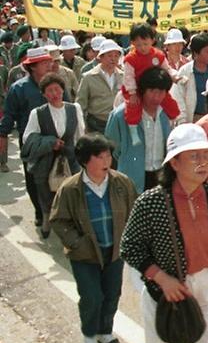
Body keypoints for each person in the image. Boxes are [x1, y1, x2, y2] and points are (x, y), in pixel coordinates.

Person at [120, 123, 208, 343]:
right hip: (166, 292)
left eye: (206, 156)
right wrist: (162, 279)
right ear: (174, 163)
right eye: (194, 156)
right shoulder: (151, 203)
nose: (203, 162)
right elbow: (130, 247)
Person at [49, 134, 137, 343]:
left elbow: (135, 212)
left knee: (111, 294)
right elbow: (59, 220)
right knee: (91, 296)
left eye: (108, 155)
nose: (107, 161)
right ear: (86, 160)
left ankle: (104, 331)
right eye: (100, 156)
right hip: (85, 255)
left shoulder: (121, 183)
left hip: (114, 252)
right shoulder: (70, 188)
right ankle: (89, 334)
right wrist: (76, 243)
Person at [0, 47, 63, 226]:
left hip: (57, 138)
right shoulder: (19, 88)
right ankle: (40, 211)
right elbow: (9, 114)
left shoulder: (57, 83)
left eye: (49, 62)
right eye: (44, 63)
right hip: (31, 141)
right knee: (34, 178)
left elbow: (67, 105)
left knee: (59, 173)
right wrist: (2, 135)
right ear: (33, 66)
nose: (49, 65)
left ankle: (57, 211)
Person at [22, 72, 85, 238]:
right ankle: (46, 218)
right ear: (43, 94)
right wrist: (50, 142)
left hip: (70, 158)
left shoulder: (74, 109)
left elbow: (80, 135)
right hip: (46, 160)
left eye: (57, 89)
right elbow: (28, 137)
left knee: (73, 192)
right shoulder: (38, 113)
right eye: (49, 91)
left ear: (63, 90)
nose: (54, 94)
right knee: (46, 192)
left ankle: (73, 222)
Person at [105, 67, 173, 193]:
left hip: (160, 174)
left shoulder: (166, 114)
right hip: (132, 177)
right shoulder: (121, 115)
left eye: (161, 92)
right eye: (152, 91)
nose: (156, 97)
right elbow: (112, 147)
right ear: (142, 91)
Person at [121, 23, 182, 145]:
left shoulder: (158, 55)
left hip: (156, 87)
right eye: (138, 45)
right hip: (136, 88)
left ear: (152, 40)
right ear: (132, 43)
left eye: (145, 44)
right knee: (133, 107)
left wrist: (175, 77)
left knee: (169, 102)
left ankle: (174, 124)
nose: (142, 47)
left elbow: (167, 69)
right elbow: (128, 77)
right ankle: (134, 133)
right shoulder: (130, 58)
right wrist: (132, 93)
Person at [172, 34, 208, 124]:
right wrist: (182, 120)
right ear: (195, 53)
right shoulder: (185, 71)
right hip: (194, 118)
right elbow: (179, 97)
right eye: (206, 52)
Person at [76, 40, 123, 133]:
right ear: (101, 57)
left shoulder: (124, 76)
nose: (113, 59)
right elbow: (81, 104)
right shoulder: (88, 77)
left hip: (119, 123)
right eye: (109, 55)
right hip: (96, 124)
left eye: (116, 56)